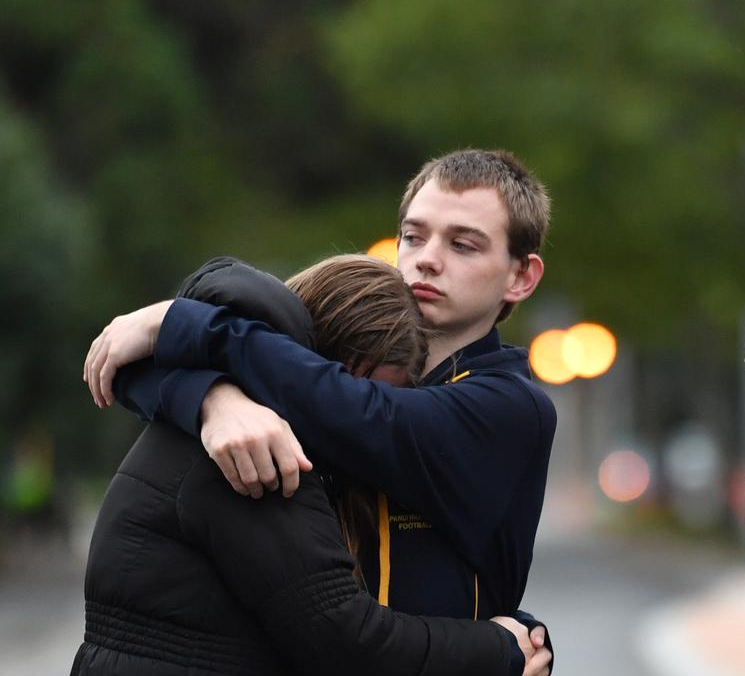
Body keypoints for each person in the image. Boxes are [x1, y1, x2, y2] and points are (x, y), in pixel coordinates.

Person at [82, 150, 555, 629]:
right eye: (412, 237)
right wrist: (216, 402)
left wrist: (187, 325)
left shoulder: (511, 407)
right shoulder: (324, 366)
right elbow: (122, 365)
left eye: (463, 245)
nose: (426, 260)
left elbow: (367, 416)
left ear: (521, 276)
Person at [75, 254, 549, 676]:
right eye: (353, 385)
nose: (347, 419)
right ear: (315, 361)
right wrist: (503, 647)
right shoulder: (256, 450)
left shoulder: (222, 413)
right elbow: (347, 641)